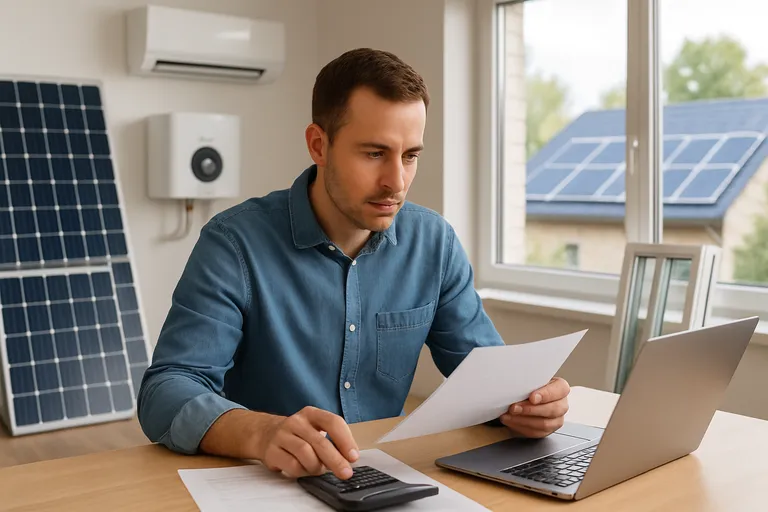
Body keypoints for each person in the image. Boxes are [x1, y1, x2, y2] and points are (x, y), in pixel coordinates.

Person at [137, 47, 570, 481]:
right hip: (265, 483)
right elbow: (167, 390)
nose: (396, 182)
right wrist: (260, 431)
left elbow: (490, 381)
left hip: (387, 477)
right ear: (318, 145)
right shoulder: (234, 244)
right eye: (374, 153)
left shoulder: (434, 243)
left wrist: (529, 406)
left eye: (410, 155)